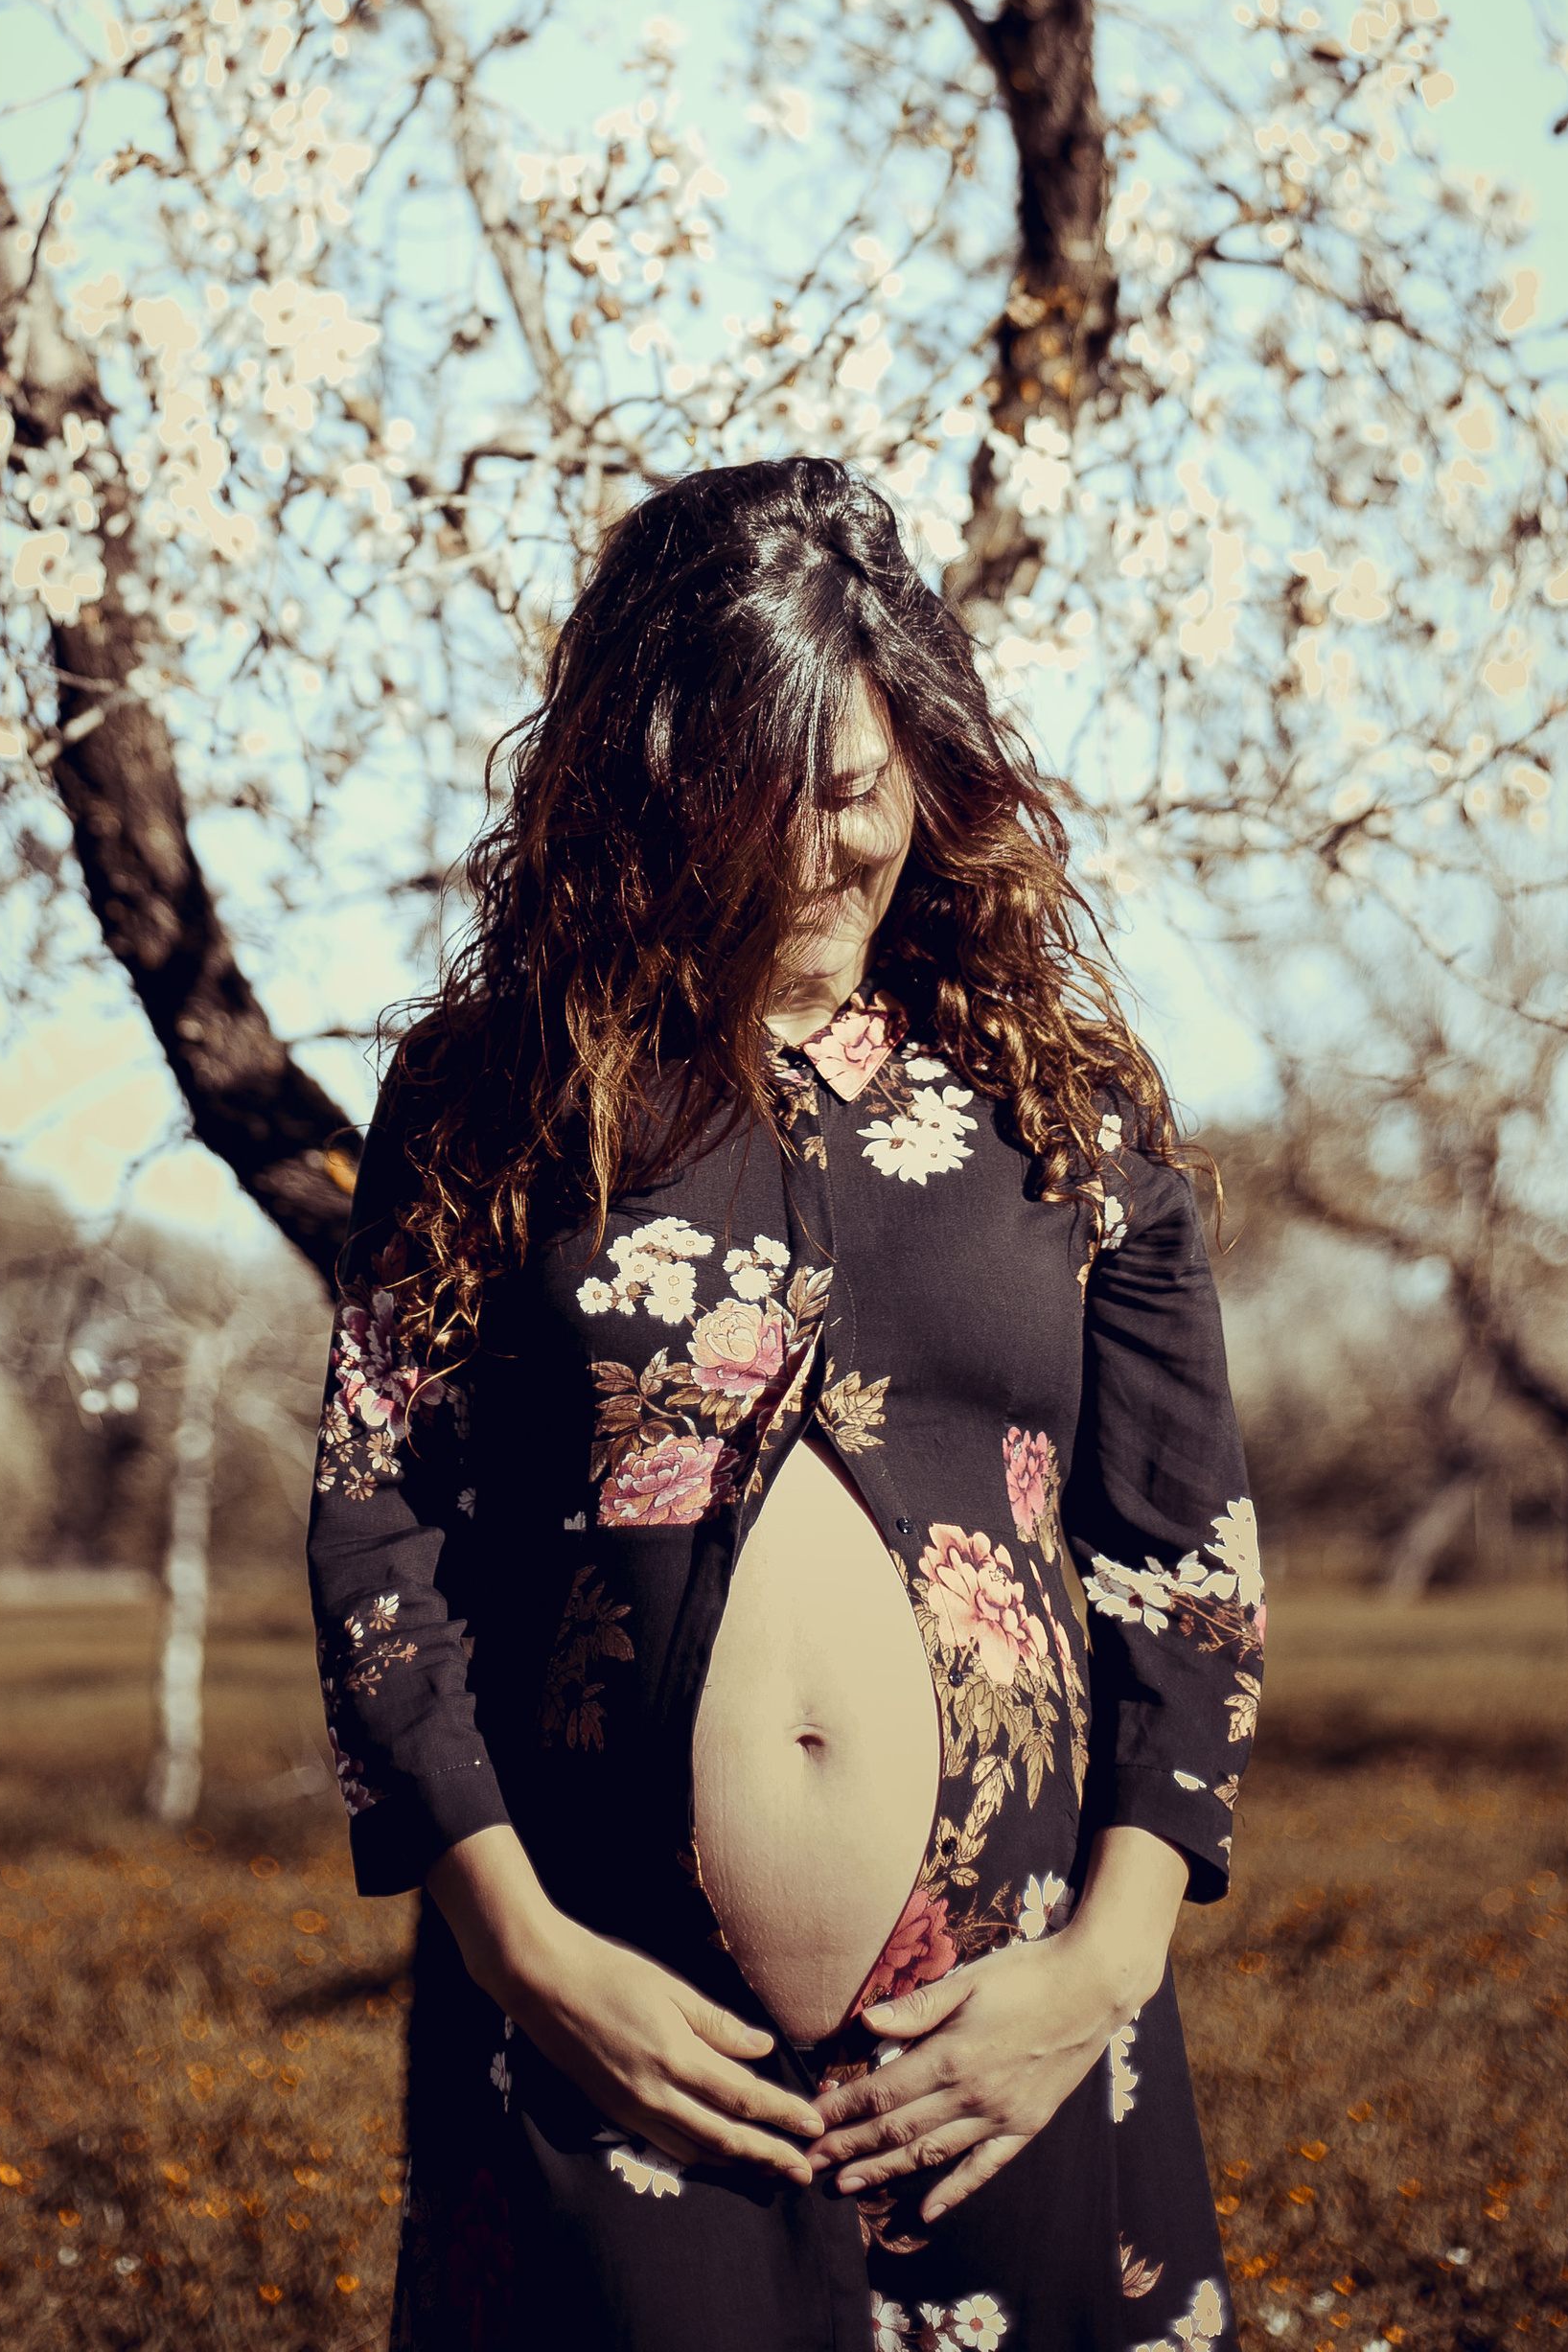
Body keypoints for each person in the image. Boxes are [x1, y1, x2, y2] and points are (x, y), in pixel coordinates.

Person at [308, 455, 1262, 2351]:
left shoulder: (1062, 1108)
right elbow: (377, 1528)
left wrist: (1099, 1966)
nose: (820, 853)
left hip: (1012, 2062)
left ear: (927, 759)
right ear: (645, 793)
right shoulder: (493, 1094)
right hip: (611, 2052)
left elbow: (1182, 1560)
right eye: (759, 808)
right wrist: (525, 1957)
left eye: (854, 792)